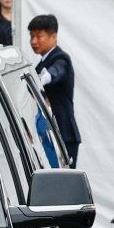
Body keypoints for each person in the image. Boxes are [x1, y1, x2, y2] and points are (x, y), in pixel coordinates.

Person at [29, 14, 81, 165]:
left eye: (39, 36)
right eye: (31, 36)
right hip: (48, 133)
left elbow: (56, 72)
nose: (33, 41)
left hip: (63, 134)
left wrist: (44, 78)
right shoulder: (41, 63)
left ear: (53, 36)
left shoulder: (61, 58)